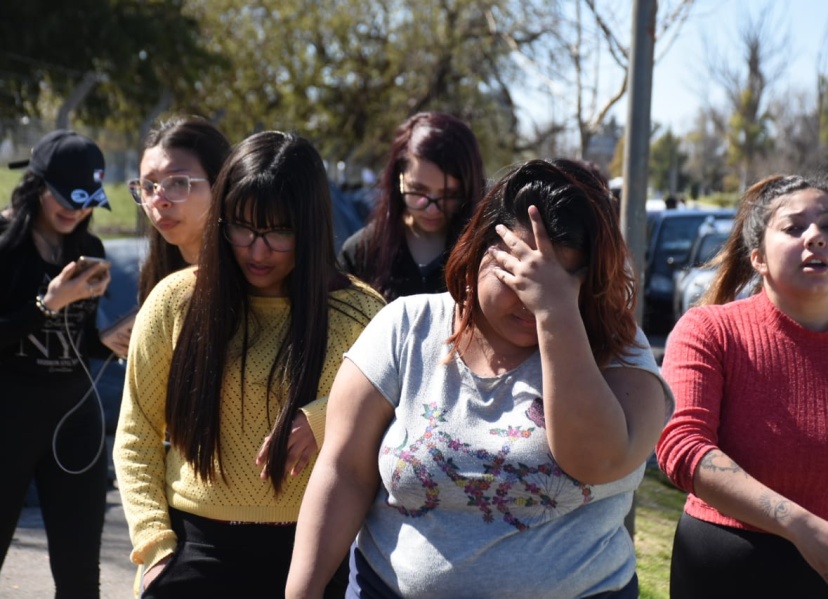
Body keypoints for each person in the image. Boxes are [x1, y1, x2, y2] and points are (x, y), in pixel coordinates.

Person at [286, 159, 672, 599]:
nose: (533, 297)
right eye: (520, 273)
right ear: (481, 247)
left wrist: (558, 314)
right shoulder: (407, 327)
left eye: (561, 280)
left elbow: (596, 461)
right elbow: (344, 471)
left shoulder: (617, 348)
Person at [113, 131, 385, 598]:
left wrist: (325, 416)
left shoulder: (363, 315)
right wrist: (156, 549)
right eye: (241, 227)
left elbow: (396, 422)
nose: (257, 251)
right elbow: (135, 436)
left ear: (311, 226)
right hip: (192, 549)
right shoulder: (175, 302)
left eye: (279, 232)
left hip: (312, 557)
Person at [655, 174, 828, 599]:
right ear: (758, 259)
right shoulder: (709, 330)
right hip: (730, 573)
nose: (815, 238)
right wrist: (802, 527)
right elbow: (681, 447)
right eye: (793, 228)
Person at [0, 129, 116, 597]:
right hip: (9, 420)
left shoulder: (88, 253)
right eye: (65, 198)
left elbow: (79, 341)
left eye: (87, 201)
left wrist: (115, 337)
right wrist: (49, 303)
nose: (76, 210)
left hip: (74, 423)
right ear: (36, 185)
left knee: (79, 574)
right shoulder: (6, 246)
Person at [338, 111, 485, 301]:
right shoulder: (361, 252)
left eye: (449, 195)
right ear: (398, 179)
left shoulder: (486, 252)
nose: (431, 209)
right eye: (418, 190)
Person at [130, 115, 232, 304]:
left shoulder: (255, 275)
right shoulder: (157, 280)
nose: (159, 201)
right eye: (148, 185)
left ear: (220, 184)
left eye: (177, 182)